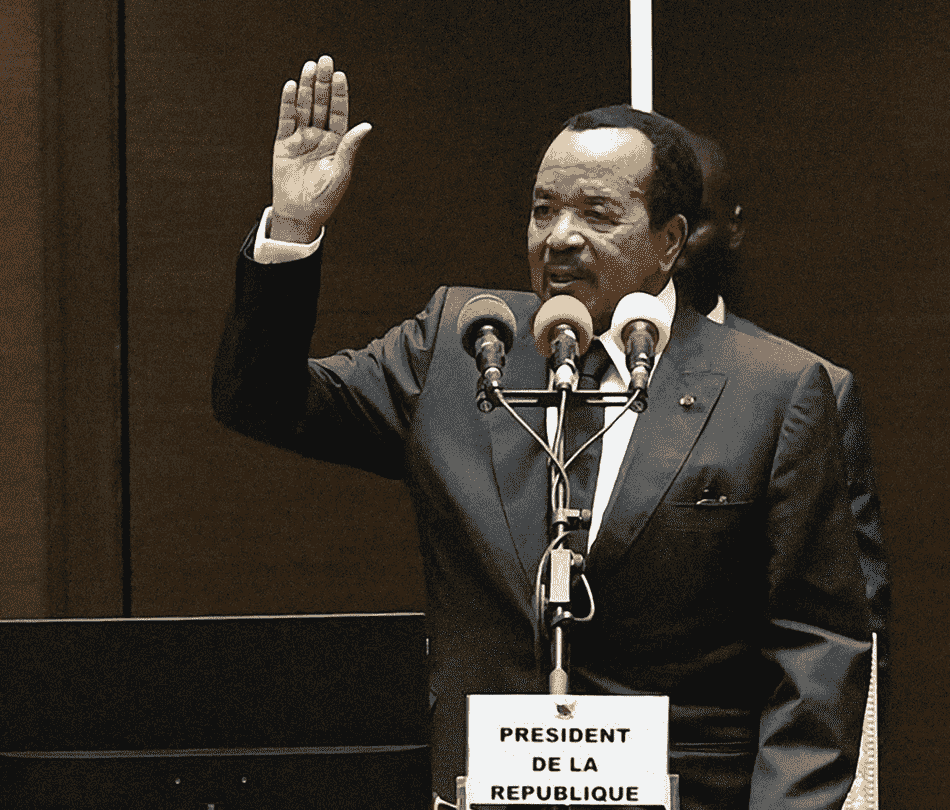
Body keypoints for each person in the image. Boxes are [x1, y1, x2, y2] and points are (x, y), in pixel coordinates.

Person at [212, 55, 879, 810]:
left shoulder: (775, 390)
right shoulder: (462, 345)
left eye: (597, 213)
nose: (560, 237)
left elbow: (816, 648)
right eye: (542, 211)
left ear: (669, 241)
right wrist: (293, 227)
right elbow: (261, 401)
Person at [673, 133, 888, 668]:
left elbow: (844, 619)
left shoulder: (808, 387)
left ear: (734, 227)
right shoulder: (559, 372)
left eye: (692, 222)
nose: (671, 246)